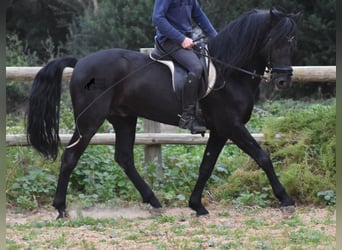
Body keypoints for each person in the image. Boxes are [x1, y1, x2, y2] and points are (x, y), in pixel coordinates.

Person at [152, 0, 217, 134]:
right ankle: (187, 117)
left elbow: (199, 16)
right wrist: (181, 39)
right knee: (196, 68)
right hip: (169, 41)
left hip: (188, 39)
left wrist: (217, 38)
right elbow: (157, 18)